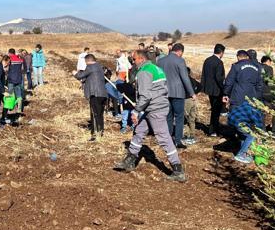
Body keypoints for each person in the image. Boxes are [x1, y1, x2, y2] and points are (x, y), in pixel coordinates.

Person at [114, 50, 186, 182]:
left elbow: (145, 96)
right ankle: (130, 160)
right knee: (139, 132)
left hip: (154, 109)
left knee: (164, 137)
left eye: (134, 59)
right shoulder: (156, 69)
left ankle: (178, 170)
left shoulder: (144, 72)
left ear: (141, 59)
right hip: (153, 107)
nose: (133, 62)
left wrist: (136, 111)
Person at [223, 50, 264, 163]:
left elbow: (229, 81)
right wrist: (257, 100)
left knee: (240, 125)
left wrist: (226, 94)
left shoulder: (236, 66)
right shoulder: (258, 68)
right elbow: (260, 86)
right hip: (251, 101)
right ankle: (242, 152)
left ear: (239, 57)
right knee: (247, 126)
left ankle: (242, 152)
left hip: (237, 99)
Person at [157, 43, 196, 148]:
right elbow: (185, 78)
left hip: (164, 92)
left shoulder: (160, 61)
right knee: (179, 117)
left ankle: (168, 139)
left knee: (168, 116)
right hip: (178, 93)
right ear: (180, 51)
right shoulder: (180, 61)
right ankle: (178, 141)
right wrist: (192, 93)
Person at [73, 54, 109, 141]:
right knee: (100, 115)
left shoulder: (90, 66)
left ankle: (95, 135)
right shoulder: (99, 66)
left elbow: (80, 76)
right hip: (103, 94)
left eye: (85, 62)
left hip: (95, 94)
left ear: (88, 61)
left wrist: (75, 73)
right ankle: (100, 132)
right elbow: (88, 77)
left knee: (95, 115)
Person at [201, 44, 226, 137]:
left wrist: (203, 87)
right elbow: (219, 78)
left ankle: (213, 128)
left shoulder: (207, 60)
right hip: (217, 90)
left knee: (214, 110)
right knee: (216, 111)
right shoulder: (219, 62)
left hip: (209, 89)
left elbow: (203, 75)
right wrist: (224, 88)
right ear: (221, 52)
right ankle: (213, 130)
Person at [260, 55, 275, 132]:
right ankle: (274, 129)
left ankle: (262, 129)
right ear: (268, 61)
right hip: (267, 92)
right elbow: (269, 80)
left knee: (262, 111)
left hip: (258, 92)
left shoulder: (257, 67)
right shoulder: (269, 68)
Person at [6, 49, 25, 114]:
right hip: (18, 79)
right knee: (19, 95)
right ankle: (19, 109)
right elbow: (22, 69)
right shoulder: (20, 60)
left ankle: (9, 108)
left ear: (10, 53)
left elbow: (7, 69)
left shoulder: (9, 59)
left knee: (10, 93)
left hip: (11, 79)